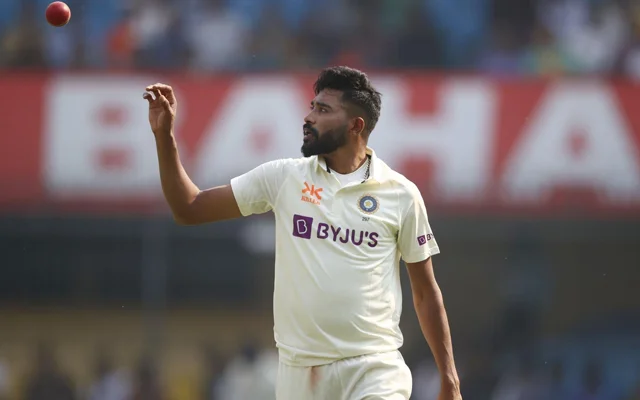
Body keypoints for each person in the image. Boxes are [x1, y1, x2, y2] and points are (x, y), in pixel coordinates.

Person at [143, 66, 462, 400]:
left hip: (374, 368)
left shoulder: (401, 194)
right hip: (300, 374)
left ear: (355, 126)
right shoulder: (284, 178)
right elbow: (189, 208)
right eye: (312, 107)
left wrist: (450, 379)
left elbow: (425, 292)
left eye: (323, 110)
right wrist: (164, 137)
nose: (309, 117)